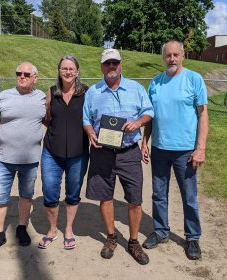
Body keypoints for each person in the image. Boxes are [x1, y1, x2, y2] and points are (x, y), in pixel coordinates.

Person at [83, 48, 154, 265]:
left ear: (121, 64)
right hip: (102, 152)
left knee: (135, 199)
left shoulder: (136, 88)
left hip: (129, 152)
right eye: (107, 63)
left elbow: (149, 111)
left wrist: (139, 122)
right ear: (101, 66)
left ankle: (133, 241)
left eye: (115, 63)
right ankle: (111, 237)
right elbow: (86, 118)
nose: (112, 67)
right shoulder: (93, 92)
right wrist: (90, 132)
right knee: (105, 197)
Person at [141, 39, 209, 260]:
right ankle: (161, 231)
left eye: (175, 55)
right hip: (160, 148)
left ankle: (192, 238)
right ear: (163, 57)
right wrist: (145, 141)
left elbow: (203, 114)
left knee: (189, 196)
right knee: (159, 194)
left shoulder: (193, 79)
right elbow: (150, 116)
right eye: (167, 55)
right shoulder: (156, 83)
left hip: (185, 151)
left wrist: (200, 148)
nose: (171, 59)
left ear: (182, 56)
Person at [0, 62, 46, 254]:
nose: (22, 76)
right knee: (0, 197)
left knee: (26, 196)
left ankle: (21, 228)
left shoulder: (42, 98)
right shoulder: (3, 97)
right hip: (4, 159)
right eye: (18, 73)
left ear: (35, 78)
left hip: (30, 160)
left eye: (27, 74)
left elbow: (52, 122)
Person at [38, 55, 89, 250]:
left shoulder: (86, 92)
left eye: (71, 69)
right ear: (59, 71)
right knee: (50, 192)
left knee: (73, 192)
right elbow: (45, 118)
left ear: (77, 72)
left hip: (79, 152)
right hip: (52, 152)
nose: (68, 72)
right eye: (64, 69)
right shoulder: (51, 92)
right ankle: (52, 230)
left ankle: (68, 229)